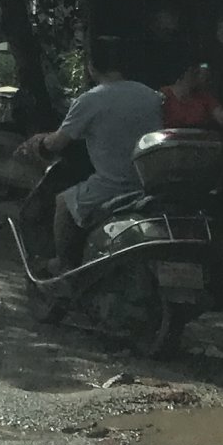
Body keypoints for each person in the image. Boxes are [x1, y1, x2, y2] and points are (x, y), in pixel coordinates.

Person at [17, 37, 165, 271]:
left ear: (92, 66)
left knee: (63, 202)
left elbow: (57, 143)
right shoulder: (151, 96)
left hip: (113, 185)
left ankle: (64, 266)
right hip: (149, 184)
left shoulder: (90, 100)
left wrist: (37, 142)